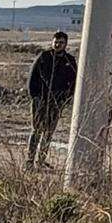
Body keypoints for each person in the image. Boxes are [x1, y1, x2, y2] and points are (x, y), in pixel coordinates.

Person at [26, 32, 77, 169]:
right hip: (40, 99)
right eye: (55, 42)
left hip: (56, 102)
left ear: (65, 44)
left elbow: (73, 82)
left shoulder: (69, 61)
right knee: (36, 130)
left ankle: (41, 160)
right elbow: (32, 77)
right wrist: (35, 96)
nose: (57, 44)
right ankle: (29, 161)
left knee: (48, 132)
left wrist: (65, 98)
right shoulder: (44, 57)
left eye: (60, 42)